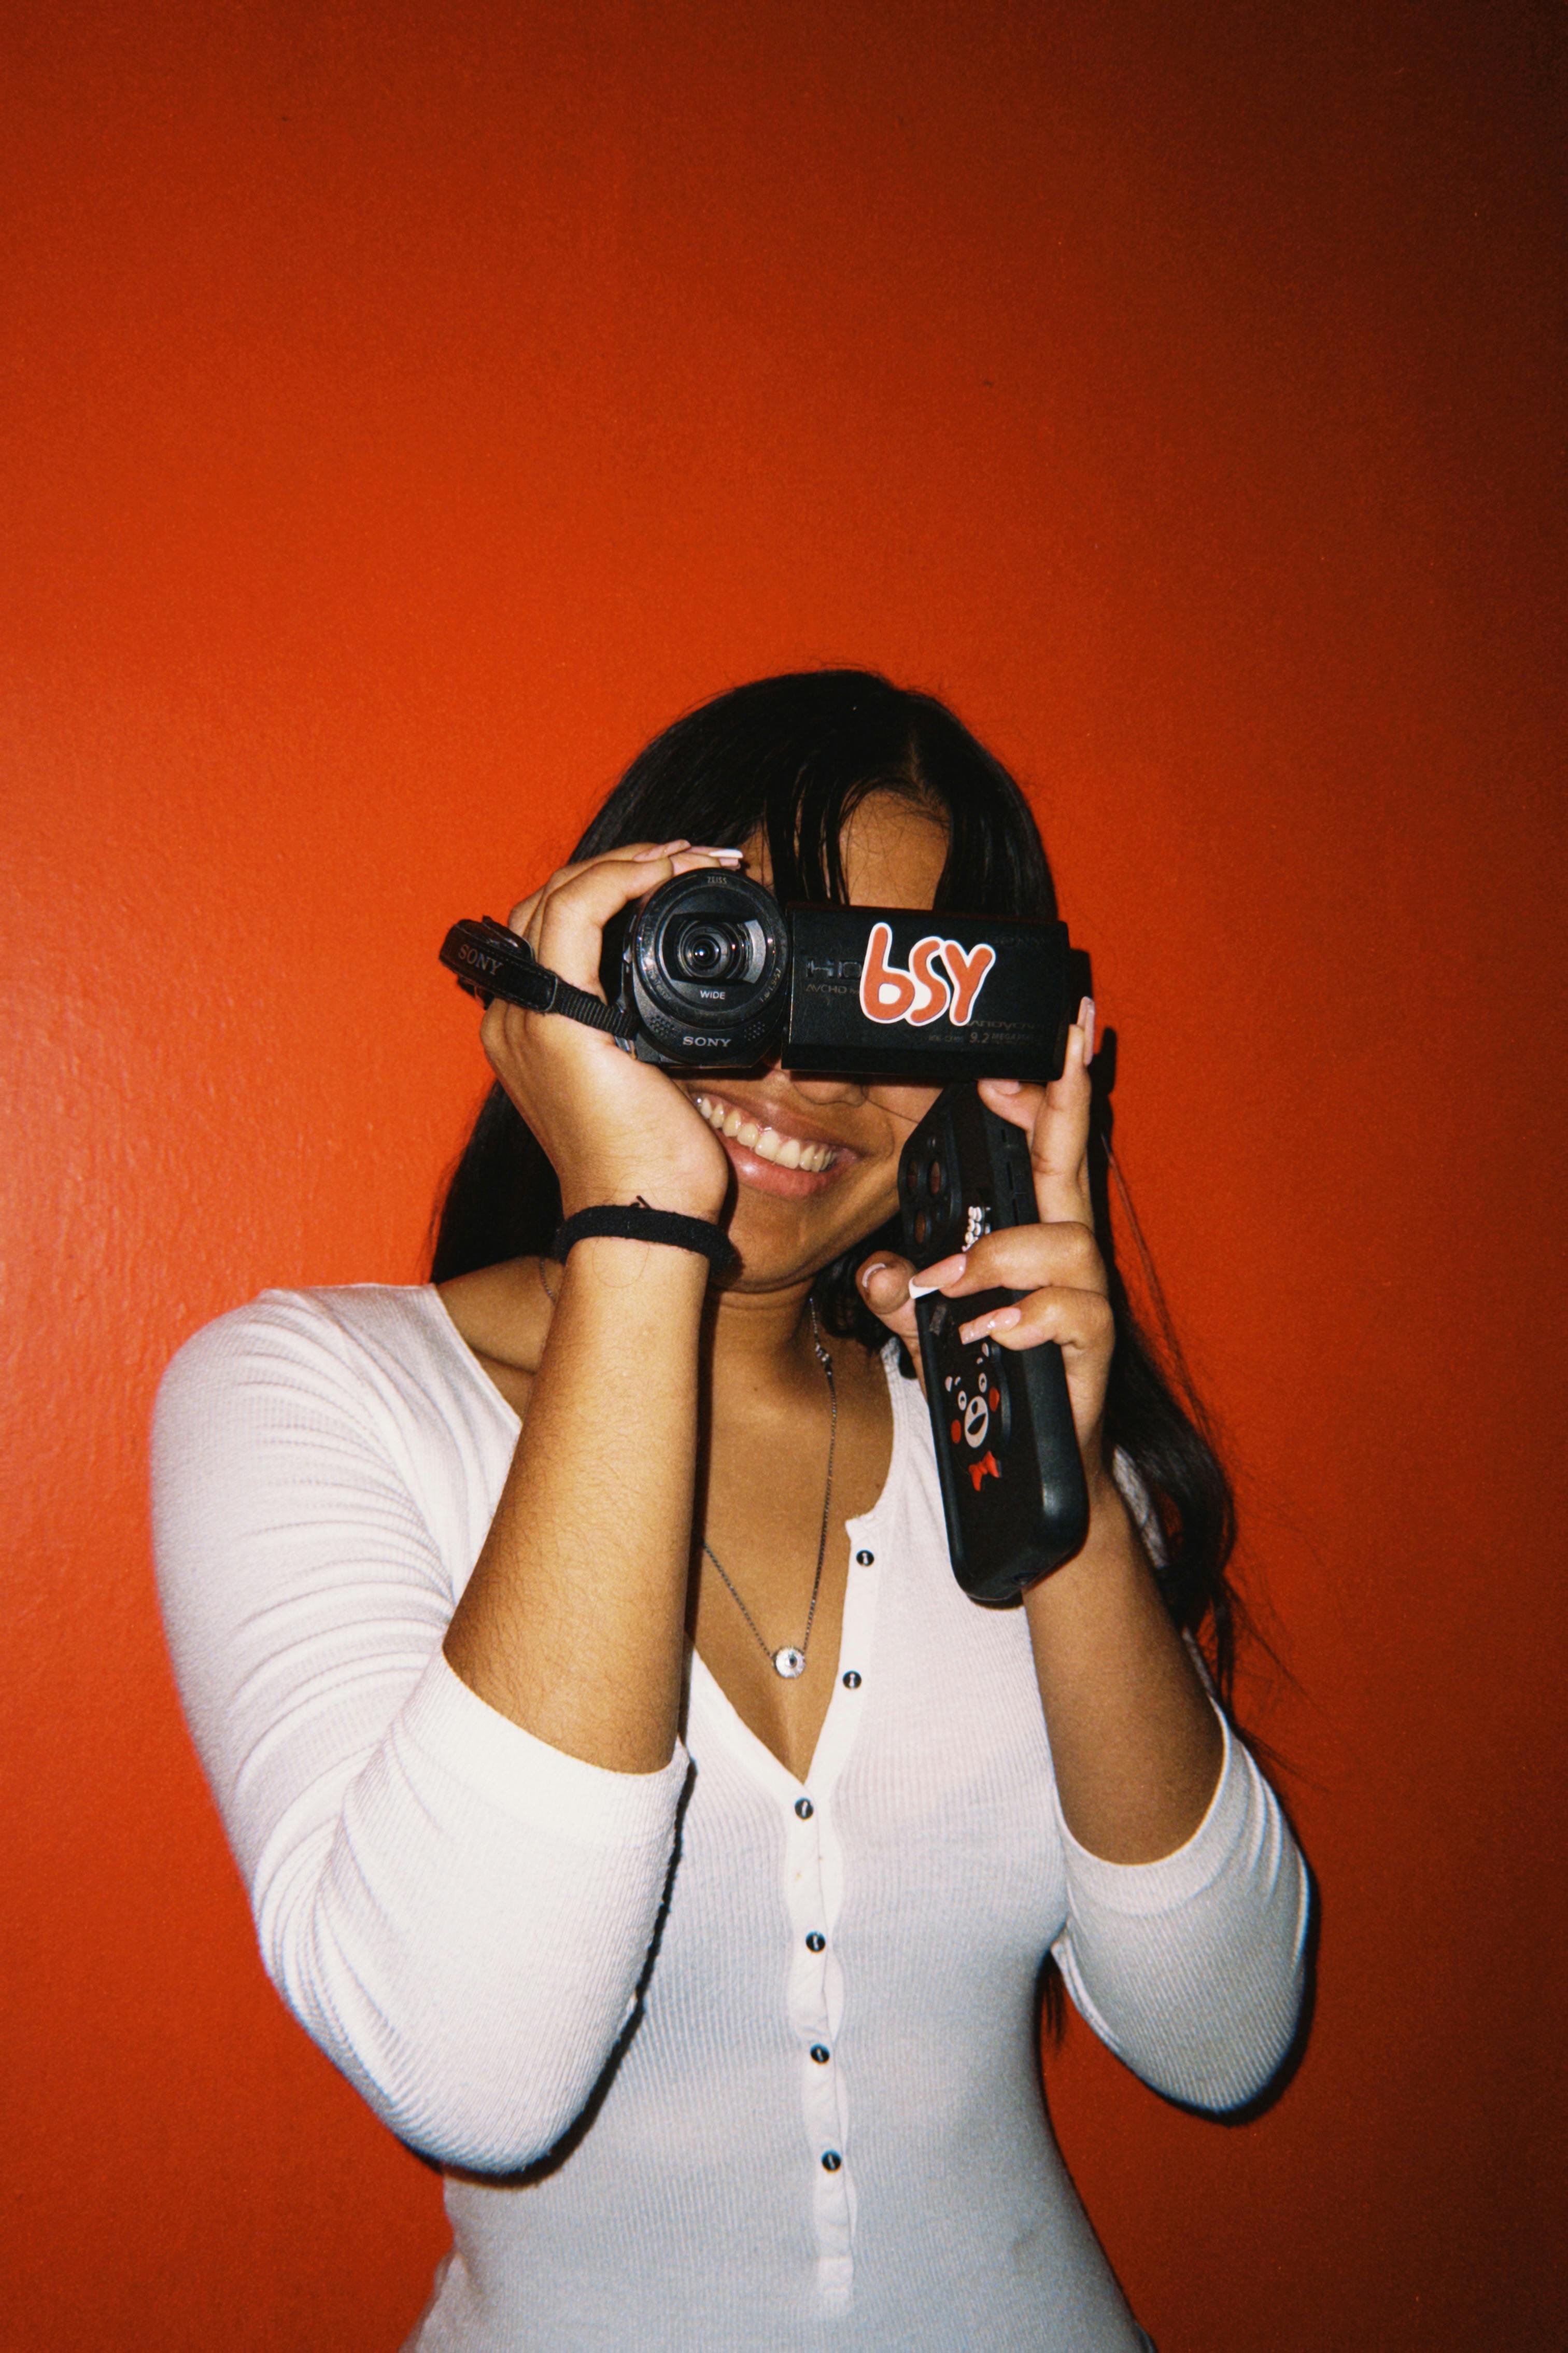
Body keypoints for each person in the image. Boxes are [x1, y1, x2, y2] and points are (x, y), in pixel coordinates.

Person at [152, 670, 1308, 2352]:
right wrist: (634, 1222)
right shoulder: (314, 1391)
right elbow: (473, 2063)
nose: (805, 1068)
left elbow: (1220, 2033)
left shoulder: (1002, 1431)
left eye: (891, 1001)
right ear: (604, 952)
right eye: (752, 960)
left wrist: (1052, 1489)